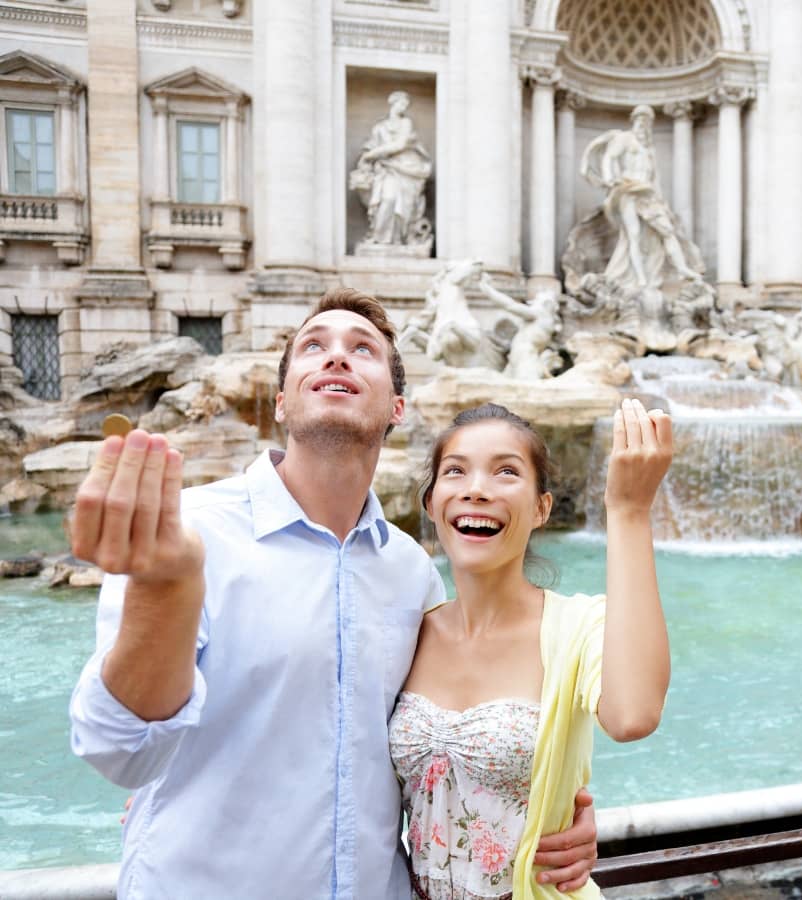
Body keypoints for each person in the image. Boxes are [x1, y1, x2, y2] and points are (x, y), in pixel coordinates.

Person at [68, 288, 599, 899]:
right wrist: (166, 591)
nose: (337, 357)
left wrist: (556, 820)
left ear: (397, 406)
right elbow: (118, 753)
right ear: (281, 402)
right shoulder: (186, 535)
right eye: (313, 347)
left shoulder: (414, 573)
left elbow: (443, 758)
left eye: (362, 349)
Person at [390, 399, 672, 900]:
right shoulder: (406, 631)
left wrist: (628, 511)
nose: (476, 489)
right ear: (432, 504)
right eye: (456, 471)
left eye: (506, 472)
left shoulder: (580, 625)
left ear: (541, 508)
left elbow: (633, 716)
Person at [582, 105, 703, 290]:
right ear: (634, 121)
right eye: (640, 120)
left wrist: (660, 200)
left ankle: (682, 268)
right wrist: (609, 179)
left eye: (647, 121)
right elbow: (609, 158)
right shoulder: (624, 138)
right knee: (634, 235)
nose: (643, 124)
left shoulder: (649, 148)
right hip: (628, 190)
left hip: (648, 194)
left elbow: (655, 178)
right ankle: (640, 279)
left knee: (667, 231)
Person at [351, 90, 434, 247]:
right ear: (393, 103)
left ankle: (397, 240)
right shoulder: (379, 128)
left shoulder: (406, 123)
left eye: (406, 105)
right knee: (388, 200)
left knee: (402, 206)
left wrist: (372, 155)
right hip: (385, 171)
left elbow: (399, 145)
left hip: (405, 168)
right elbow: (369, 148)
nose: (403, 107)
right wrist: (367, 158)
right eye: (401, 103)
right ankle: (380, 238)